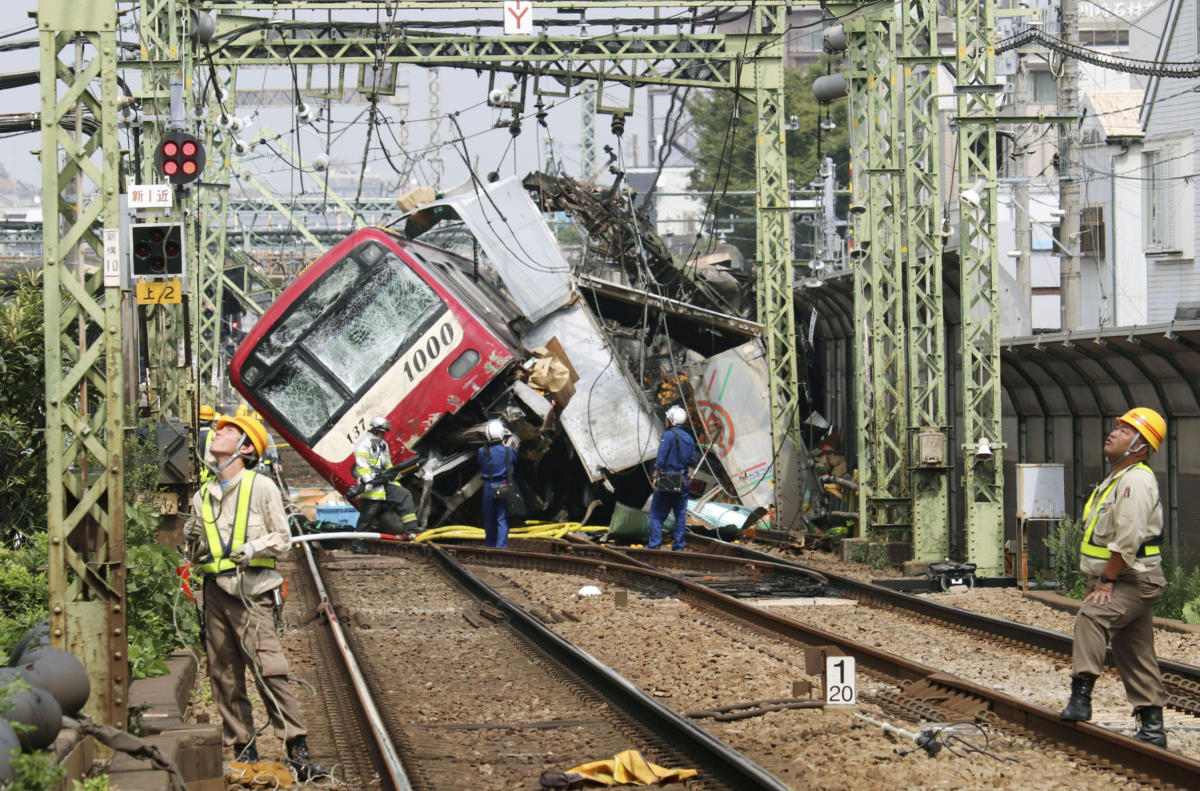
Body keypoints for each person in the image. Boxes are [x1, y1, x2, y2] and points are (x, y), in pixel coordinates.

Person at [184, 414, 326, 780]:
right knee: (224, 676)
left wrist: (252, 547)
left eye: (229, 431)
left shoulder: (260, 487)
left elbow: (283, 538)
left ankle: (297, 750)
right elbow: (195, 552)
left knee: (269, 670)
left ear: (246, 448)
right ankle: (243, 750)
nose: (218, 433)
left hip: (253, 592)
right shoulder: (203, 496)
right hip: (215, 593)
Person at [1059, 407, 1168, 748]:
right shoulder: (1118, 479)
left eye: (1124, 430)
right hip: (1127, 578)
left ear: (1140, 445)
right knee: (1134, 650)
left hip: (1132, 580)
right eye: (1117, 427)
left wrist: (1105, 581)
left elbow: (1129, 539)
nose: (1113, 432)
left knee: (1092, 616)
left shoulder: (1136, 480)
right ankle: (1152, 728)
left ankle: (1081, 696)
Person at [648, 405, 699, 551]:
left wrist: (655, 475)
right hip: (683, 480)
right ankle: (679, 546)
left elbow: (661, 458)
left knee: (657, 514)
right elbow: (692, 460)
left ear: (670, 420)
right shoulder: (689, 438)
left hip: (667, 479)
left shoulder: (667, 436)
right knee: (680, 515)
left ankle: (654, 545)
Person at [352, 415, 393, 554]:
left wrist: (391, 476)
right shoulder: (364, 443)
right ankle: (358, 544)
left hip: (381, 486)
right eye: (382, 432)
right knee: (366, 518)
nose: (383, 435)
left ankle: (365, 542)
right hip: (370, 487)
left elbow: (387, 462)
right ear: (374, 430)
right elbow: (362, 464)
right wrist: (368, 480)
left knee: (372, 518)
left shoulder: (382, 444)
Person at [477, 419, 514, 548]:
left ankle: (489, 546)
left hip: (488, 486)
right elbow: (514, 460)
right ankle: (501, 547)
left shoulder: (482, 451)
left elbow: (480, 462)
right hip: (503, 485)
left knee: (489, 518)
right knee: (501, 518)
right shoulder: (509, 451)